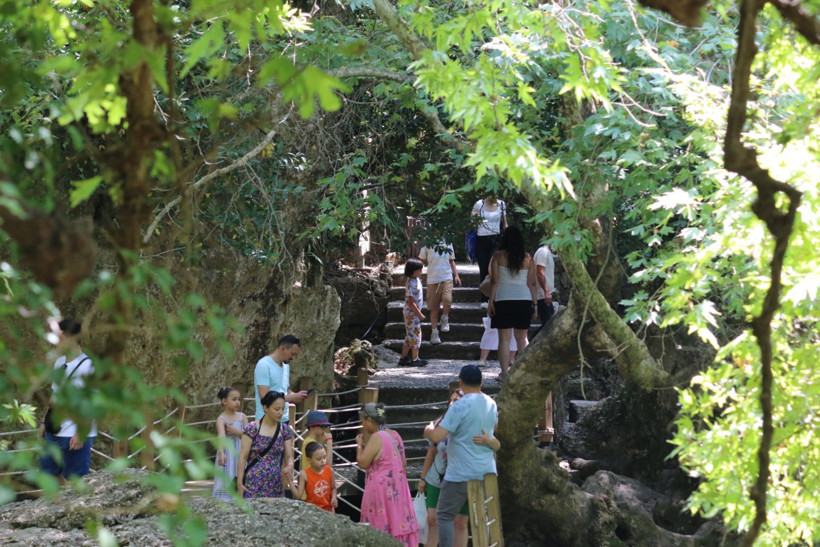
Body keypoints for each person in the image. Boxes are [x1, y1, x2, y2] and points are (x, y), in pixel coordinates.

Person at [425, 365, 500, 547]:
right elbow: (493, 430)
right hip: (487, 471)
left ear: (461, 382)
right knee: (479, 518)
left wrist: (428, 430)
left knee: (444, 515)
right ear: (481, 382)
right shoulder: (491, 403)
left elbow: (436, 437)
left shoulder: (460, 405)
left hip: (460, 473)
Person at [39, 318, 96, 482]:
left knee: (75, 478)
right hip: (55, 429)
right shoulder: (59, 362)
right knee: (48, 471)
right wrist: (44, 422)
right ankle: (59, 507)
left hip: (76, 432)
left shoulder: (88, 366)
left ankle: (73, 507)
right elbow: (54, 395)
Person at [357, 402, 419, 547]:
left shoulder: (377, 437)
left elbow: (362, 462)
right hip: (399, 488)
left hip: (381, 489)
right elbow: (403, 462)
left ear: (369, 420)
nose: (363, 426)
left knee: (380, 523)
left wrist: (359, 444)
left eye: (363, 422)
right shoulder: (394, 435)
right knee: (398, 521)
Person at [418, 389, 469, 547]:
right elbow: (432, 451)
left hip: (460, 478)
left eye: (458, 400)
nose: (453, 403)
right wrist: (423, 478)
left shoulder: (469, 425)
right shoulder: (440, 423)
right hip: (436, 478)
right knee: (432, 519)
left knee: (459, 522)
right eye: (451, 400)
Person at [488, 226, 537, 379]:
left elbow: (495, 281)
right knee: (522, 337)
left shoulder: (498, 256)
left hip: (503, 299)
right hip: (524, 299)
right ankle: (525, 372)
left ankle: (504, 372)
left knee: (504, 339)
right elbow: (532, 284)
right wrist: (535, 305)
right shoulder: (528, 258)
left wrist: (491, 301)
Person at [237, 391, 294, 498]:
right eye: (277, 409)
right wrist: (240, 483)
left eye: (283, 409)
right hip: (254, 483)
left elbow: (289, 456)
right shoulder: (252, 428)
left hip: (275, 483)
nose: (280, 413)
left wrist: (289, 466)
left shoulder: (284, 429)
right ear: (265, 408)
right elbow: (243, 457)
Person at [418, 240, 461, 345]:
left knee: (448, 299)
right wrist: (417, 273)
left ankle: (445, 317)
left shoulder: (448, 242)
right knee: (433, 307)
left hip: (446, 277)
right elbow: (421, 260)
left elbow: (451, 261)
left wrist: (456, 275)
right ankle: (434, 332)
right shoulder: (426, 243)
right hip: (432, 279)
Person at [212, 386, 248, 501]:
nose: (237, 402)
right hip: (228, 453)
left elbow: (248, 436)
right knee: (226, 476)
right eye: (234, 399)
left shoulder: (242, 417)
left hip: (240, 452)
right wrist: (221, 452)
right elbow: (221, 436)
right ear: (224, 401)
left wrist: (236, 432)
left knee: (241, 475)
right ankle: (224, 501)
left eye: (238, 399)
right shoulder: (221, 419)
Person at [470, 195, 507, 308]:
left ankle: (495, 296)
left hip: (496, 239)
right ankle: (484, 298)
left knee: (494, 267)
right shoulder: (479, 204)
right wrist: (477, 221)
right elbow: (472, 222)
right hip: (482, 239)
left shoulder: (501, 204)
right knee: (484, 267)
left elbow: (505, 222)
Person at [291, 441, 338, 512]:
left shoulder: (329, 470)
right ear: (309, 460)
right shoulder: (304, 474)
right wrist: (290, 482)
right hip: (312, 511)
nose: (323, 461)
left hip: (328, 510)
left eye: (324, 457)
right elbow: (298, 496)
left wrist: (334, 498)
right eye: (319, 459)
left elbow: (333, 488)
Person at [398, 258, 427, 367]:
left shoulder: (417, 280)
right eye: (419, 270)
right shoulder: (411, 283)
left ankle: (404, 357)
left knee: (409, 335)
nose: (421, 272)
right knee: (416, 335)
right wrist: (419, 314)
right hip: (412, 313)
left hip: (412, 312)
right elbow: (411, 301)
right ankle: (415, 359)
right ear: (412, 271)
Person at [534, 243, 556, 325]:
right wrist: (546, 292)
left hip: (546, 295)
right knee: (548, 326)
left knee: (549, 324)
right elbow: (540, 272)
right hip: (542, 296)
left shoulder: (547, 253)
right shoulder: (543, 252)